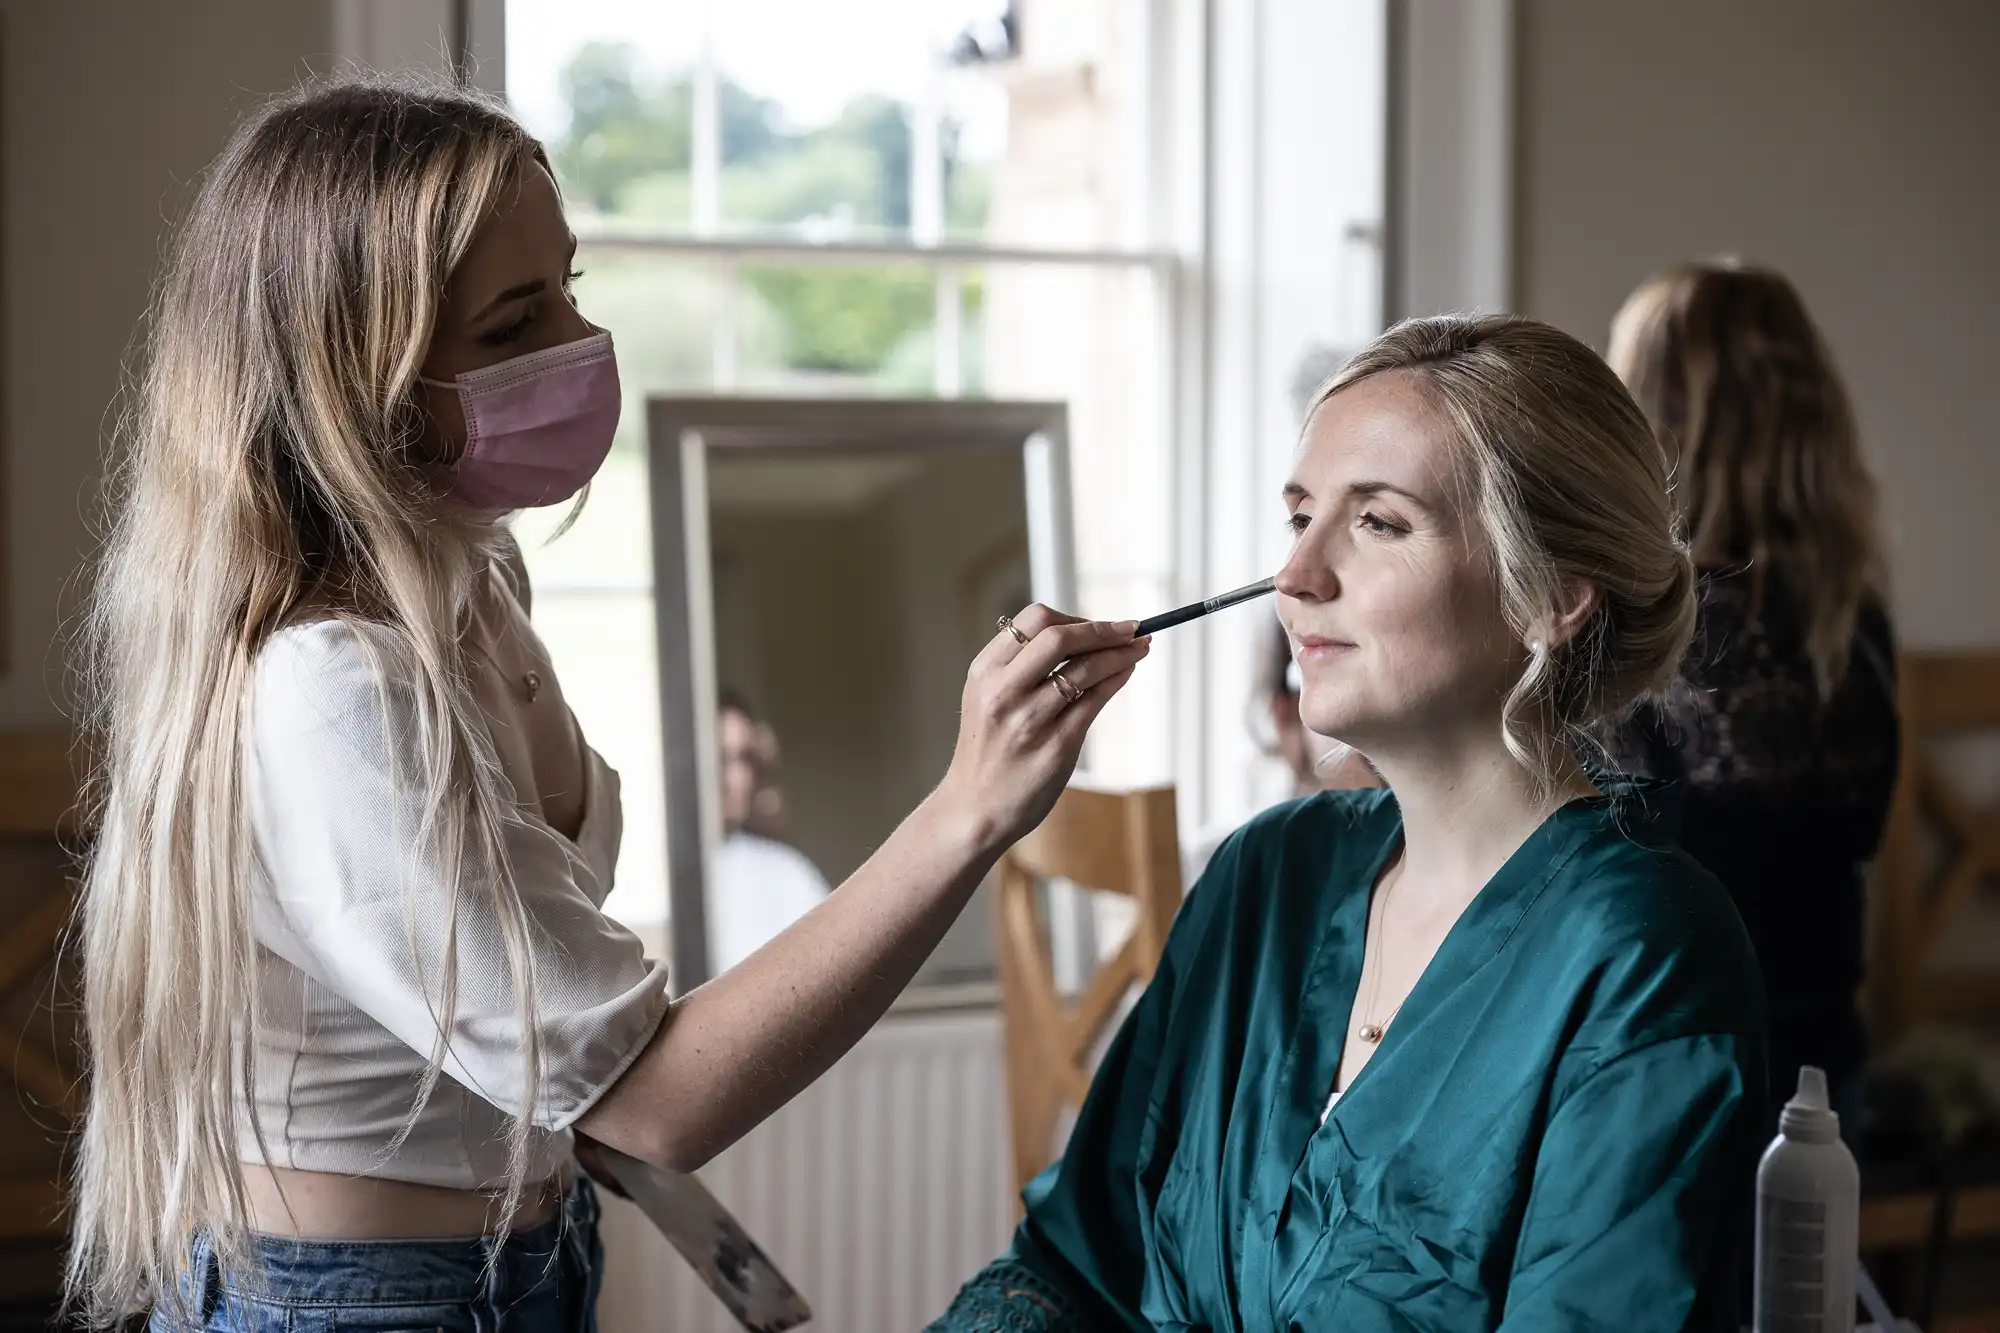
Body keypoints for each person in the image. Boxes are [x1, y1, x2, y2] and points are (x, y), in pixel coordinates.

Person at [67, 78, 1149, 1333]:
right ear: (357, 378)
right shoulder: (332, 688)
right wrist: (967, 809)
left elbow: (523, 1007)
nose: (580, 346)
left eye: (569, 288)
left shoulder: (476, 580)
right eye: (518, 319)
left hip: (526, 1260)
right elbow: (655, 1097)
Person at [928, 314, 1767, 1332]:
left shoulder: (1642, 956)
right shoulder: (1265, 876)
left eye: (1377, 522)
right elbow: (1067, 1264)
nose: (1294, 577)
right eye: (1296, 518)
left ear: (1548, 595)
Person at [1604, 259, 1899, 1148]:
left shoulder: (1646, 633)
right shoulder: (1850, 621)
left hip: (1675, 1079)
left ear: (1646, 423)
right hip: (1826, 1074)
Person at [709, 691, 832, 974]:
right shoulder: (654, 879)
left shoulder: (790, 875)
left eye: (744, 760)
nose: (736, 779)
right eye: (722, 759)